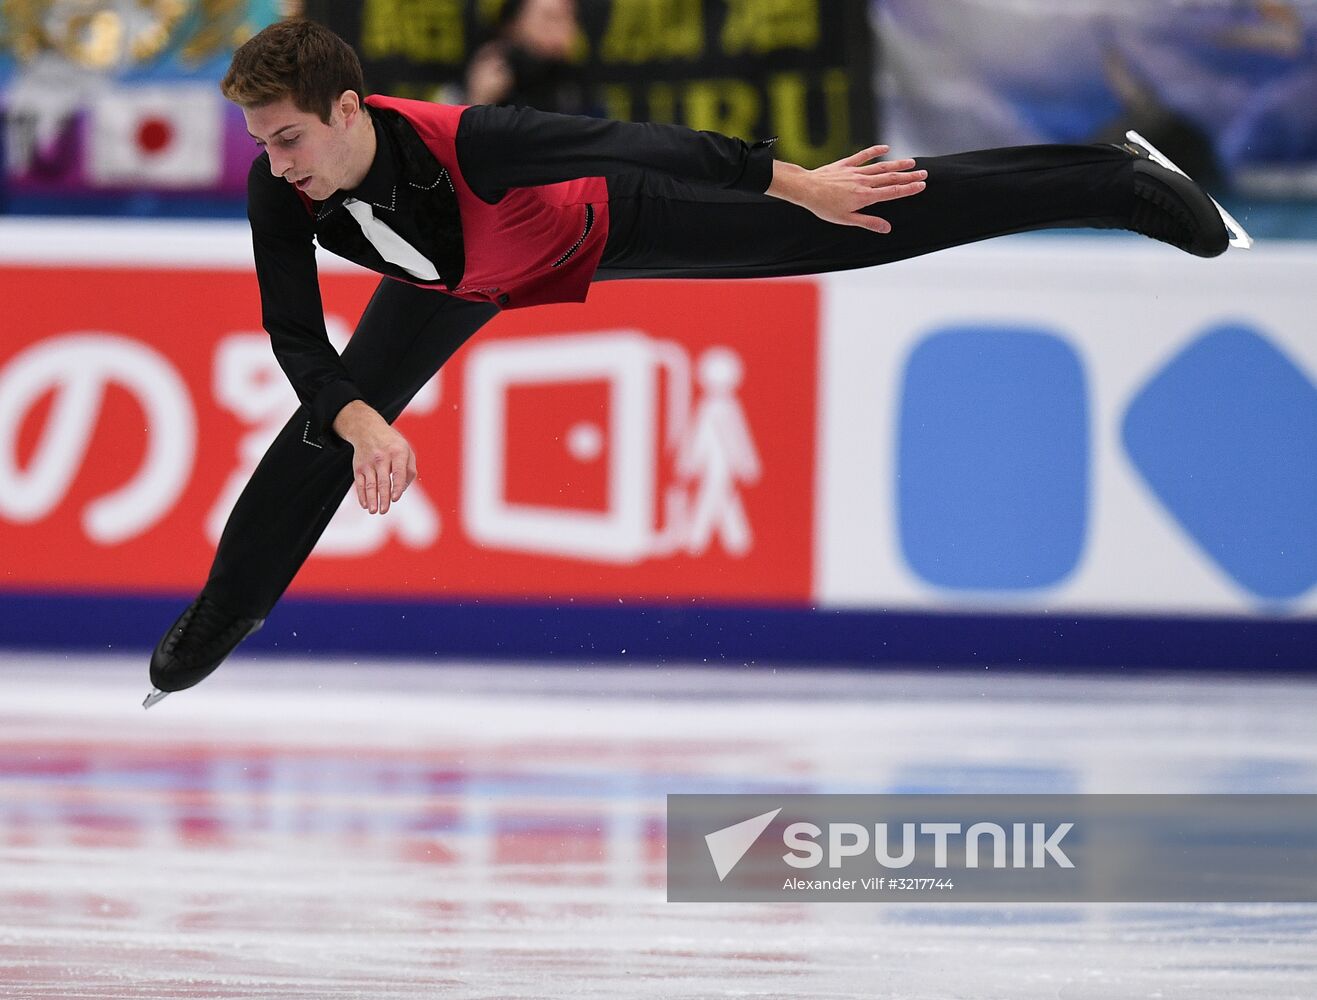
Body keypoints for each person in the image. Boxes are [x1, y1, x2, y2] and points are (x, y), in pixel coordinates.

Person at [145, 18, 1240, 707]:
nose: (275, 166)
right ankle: (212, 627)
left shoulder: (472, 140)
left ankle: (1110, 182)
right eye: (260, 146)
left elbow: (644, 143)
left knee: (865, 225)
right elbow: (294, 334)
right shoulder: (274, 187)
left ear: (348, 110)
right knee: (320, 434)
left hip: (610, 222)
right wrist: (362, 420)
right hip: (452, 284)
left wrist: (798, 183)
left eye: (287, 139)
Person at [464, 0, 595, 116]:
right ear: (514, 23)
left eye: (570, 17)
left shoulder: (575, 84)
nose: (565, 28)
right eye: (551, 17)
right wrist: (478, 99)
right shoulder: (492, 71)